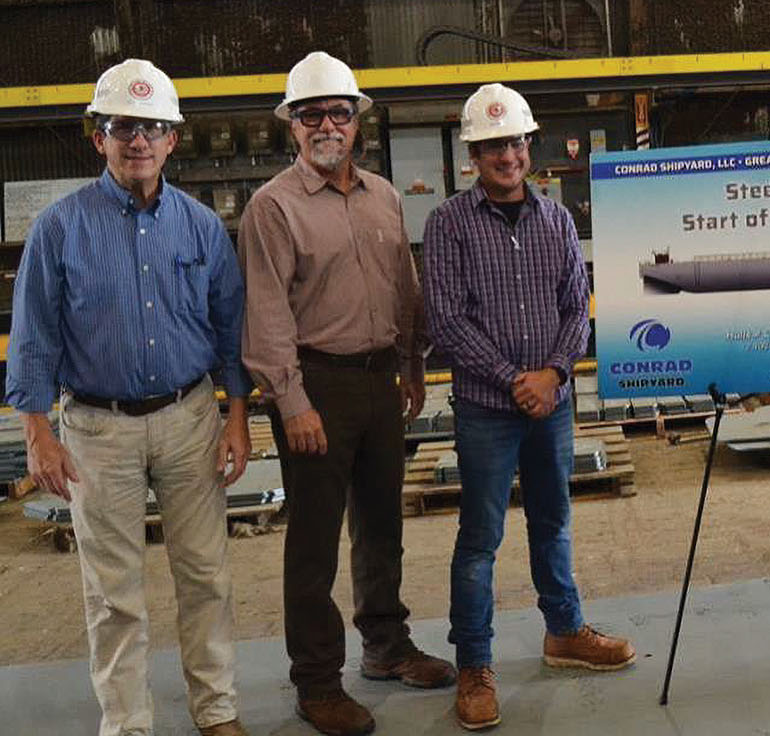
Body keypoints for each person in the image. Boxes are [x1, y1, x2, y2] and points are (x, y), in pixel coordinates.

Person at [6, 59, 253, 736]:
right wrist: (37, 431)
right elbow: (33, 335)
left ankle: (217, 709)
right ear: (99, 137)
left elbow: (230, 330)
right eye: (123, 126)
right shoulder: (60, 229)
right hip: (96, 428)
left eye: (151, 128)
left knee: (206, 575)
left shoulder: (202, 228)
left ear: (174, 139)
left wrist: (236, 420)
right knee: (113, 593)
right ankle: (127, 723)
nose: (137, 140)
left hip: (190, 419)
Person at [238, 52, 454, 736]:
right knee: (313, 543)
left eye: (339, 112)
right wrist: (292, 401)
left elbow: (403, 287)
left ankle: (386, 647)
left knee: (380, 525)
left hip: (379, 380)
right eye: (311, 115)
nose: (327, 125)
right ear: (292, 127)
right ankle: (317, 681)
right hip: (316, 384)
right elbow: (267, 311)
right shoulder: (272, 208)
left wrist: (412, 364)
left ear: (357, 122)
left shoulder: (385, 196)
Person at [423, 83, 635, 731]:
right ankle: (475, 666)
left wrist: (551, 375)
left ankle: (564, 631)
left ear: (527, 146)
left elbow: (578, 307)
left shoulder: (557, 221)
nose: (505, 155)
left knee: (554, 521)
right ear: (474, 155)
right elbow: (446, 320)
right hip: (489, 409)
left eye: (513, 142)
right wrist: (517, 379)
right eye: (491, 146)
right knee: (480, 540)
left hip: (552, 403)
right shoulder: (448, 224)